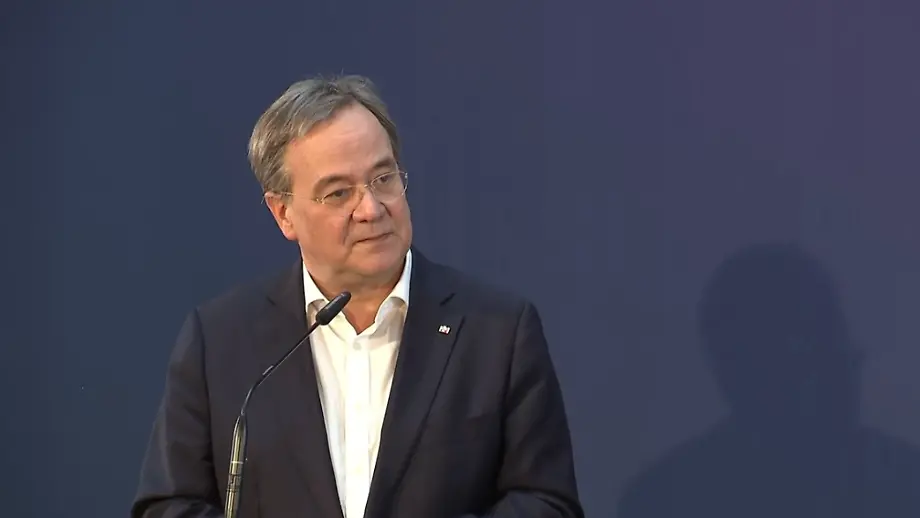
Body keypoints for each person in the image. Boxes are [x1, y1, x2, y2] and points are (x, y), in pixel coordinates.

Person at [131, 74, 583, 518]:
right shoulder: (221, 342)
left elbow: (547, 502)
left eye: (383, 178)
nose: (371, 208)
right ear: (283, 213)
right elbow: (168, 505)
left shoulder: (496, 331)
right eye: (338, 193)